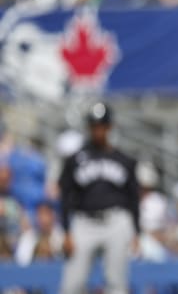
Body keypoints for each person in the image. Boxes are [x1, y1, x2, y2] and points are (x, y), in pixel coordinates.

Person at [58, 102, 140, 294]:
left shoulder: (124, 160)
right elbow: (65, 196)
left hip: (116, 221)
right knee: (72, 285)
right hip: (84, 222)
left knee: (116, 284)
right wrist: (66, 230)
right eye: (94, 126)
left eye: (102, 126)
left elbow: (133, 198)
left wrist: (137, 232)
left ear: (109, 127)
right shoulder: (75, 159)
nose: (98, 131)